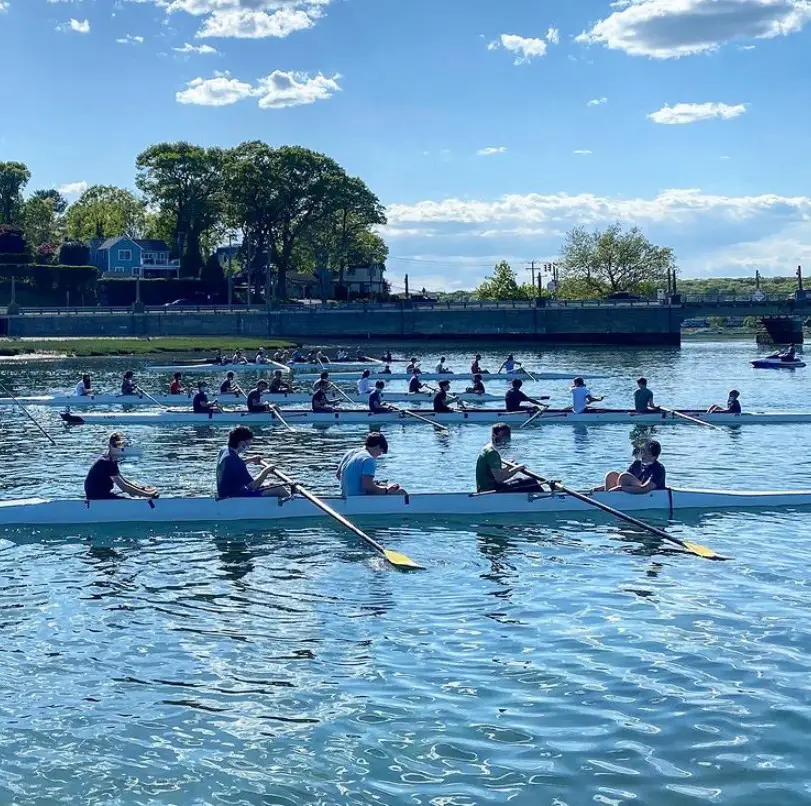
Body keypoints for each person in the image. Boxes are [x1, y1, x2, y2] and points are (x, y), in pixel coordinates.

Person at [216, 426, 288, 499]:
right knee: (279, 489)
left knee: (272, 484)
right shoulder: (236, 462)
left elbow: (232, 467)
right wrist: (267, 470)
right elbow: (253, 486)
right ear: (241, 443)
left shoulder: (224, 450)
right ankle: (296, 507)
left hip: (224, 494)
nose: (248, 446)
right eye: (248, 444)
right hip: (236, 498)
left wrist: (251, 460)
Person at [84, 432, 159, 501]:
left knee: (133, 485)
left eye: (120, 447)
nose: (118, 449)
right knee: (127, 498)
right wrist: (147, 495)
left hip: (102, 492)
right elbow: (123, 486)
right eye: (115, 447)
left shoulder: (111, 458)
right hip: (96, 496)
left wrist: (142, 489)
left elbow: (123, 480)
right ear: (110, 446)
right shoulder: (106, 462)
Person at [475, 424, 544, 493]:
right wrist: (517, 468)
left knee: (520, 480)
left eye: (508, 437)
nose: (506, 440)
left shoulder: (487, 448)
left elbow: (495, 473)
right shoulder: (492, 453)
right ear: (493, 436)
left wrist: (508, 467)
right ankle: (549, 499)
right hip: (490, 490)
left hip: (486, 487)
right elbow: (499, 478)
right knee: (531, 481)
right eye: (503, 437)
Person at [336, 432, 407, 496]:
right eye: (381, 452)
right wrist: (386, 490)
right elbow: (368, 486)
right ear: (378, 447)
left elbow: (339, 475)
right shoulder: (368, 459)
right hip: (358, 499)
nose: (379, 455)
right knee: (400, 491)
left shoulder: (351, 453)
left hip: (345, 496)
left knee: (382, 485)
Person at [597, 439, 666, 494]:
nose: (641, 454)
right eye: (641, 451)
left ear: (653, 456)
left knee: (624, 476)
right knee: (611, 476)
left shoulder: (659, 469)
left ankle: (616, 500)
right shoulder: (637, 464)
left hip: (648, 494)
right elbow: (621, 482)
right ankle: (608, 498)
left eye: (644, 452)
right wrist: (596, 490)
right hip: (634, 489)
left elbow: (645, 489)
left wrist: (621, 488)